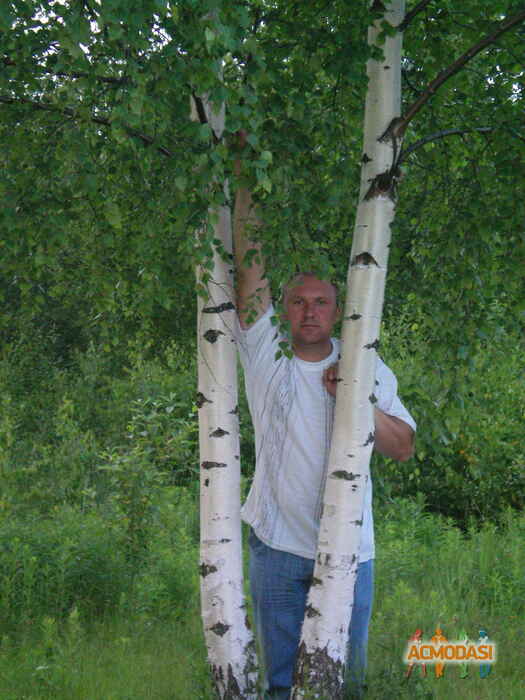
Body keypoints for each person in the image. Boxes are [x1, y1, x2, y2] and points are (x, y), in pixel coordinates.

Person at [233, 142, 416, 700]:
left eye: (320, 302)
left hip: (350, 553)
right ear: (283, 309)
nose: (308, 311)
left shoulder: (362, 361)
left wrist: (355, 401)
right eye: (297, 302)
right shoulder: (265, 350)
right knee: (282, 685)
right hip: (277, 547)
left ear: (338, 309)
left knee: (345, 684)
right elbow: (250, 268)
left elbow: (403, 446)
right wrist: (243, 171)